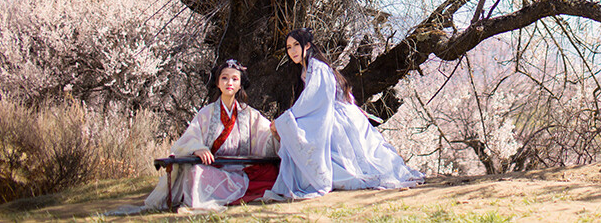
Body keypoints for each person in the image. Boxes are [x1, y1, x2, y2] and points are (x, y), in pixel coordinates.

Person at [264, 28, 424, 200]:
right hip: (331, 113)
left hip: (339, 117)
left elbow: (312, 100)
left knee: (357, 160)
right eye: (289, 47)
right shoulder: (305, 70)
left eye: (296, 45)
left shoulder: (318, 68)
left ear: (308, 45)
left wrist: (285, 119)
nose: (293, 51)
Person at [143, 59, 279, 211]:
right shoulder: (206, 113)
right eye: (224, 78)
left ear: (240, 84)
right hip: (213, 170)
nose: (229, 82)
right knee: (195, 173)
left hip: (240, 170)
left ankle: (230, 192)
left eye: (235, 79)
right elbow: (189, 137)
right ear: (218, 83)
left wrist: (274, 133)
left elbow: (265, 136)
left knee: (272, 172)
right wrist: (197, 148)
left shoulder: (249, 114)